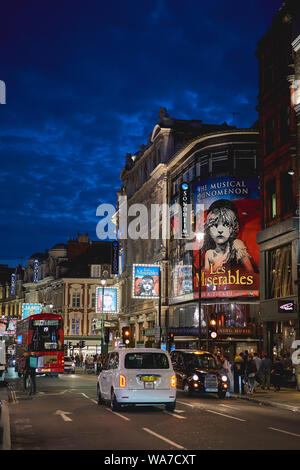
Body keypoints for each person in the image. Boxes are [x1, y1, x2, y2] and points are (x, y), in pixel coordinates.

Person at [203, 199, 256, 273]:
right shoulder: (209, 254)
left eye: (226, 224)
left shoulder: (237, 245)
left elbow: (250, 272)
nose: (220, 230)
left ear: (234, 227)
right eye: (214, 225)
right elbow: (206, 276)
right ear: (208, 229)